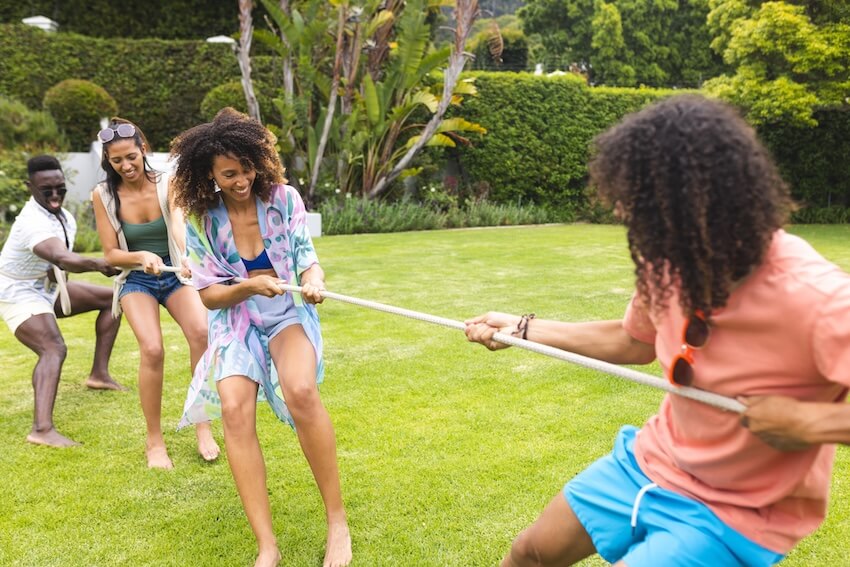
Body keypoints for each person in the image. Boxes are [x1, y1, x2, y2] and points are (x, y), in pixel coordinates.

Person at [465, 95, 850, 567]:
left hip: (737, 512)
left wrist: (813, 423)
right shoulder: (667, 262)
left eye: (645, 209)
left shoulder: (817, 298)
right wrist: (523, 329)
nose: (630, 219)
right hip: (651, 461)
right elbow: (632, 341)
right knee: (531, 553)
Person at [169, 107, 351, 567]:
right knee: (232, 408)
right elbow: (209, 296)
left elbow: (308, 258)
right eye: (228, 174)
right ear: (208, 174)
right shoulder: (201, 219)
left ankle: (337, 521)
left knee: (302, 391)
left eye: (247, 167)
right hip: (236, 317)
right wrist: (249, 285)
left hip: (287, 311)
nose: (241, 179)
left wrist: (314, 279)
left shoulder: (284, 199)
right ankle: (267, 546)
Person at [91, 118, 220, 469]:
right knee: (152, 349)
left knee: (201, 333)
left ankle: (202, 425)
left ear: (143, 149)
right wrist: (140, 256)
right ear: (108, 161)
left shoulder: (168, 182)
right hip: (138, 279)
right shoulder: (103, 195)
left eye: (131, 157)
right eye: (116, 161)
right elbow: (110, 254)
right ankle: (154, 441)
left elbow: (178, 224)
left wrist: (186, 258)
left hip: (175, 272)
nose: (126, 166)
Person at [0, 155, 125, 447]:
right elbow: (61, 257)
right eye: (47, 190)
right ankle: (42, 429)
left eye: (60, 188)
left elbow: (55, 267)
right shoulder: (32, 221)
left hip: (44, 288)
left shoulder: (64, 217)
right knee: (52, 348)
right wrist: (98, 265)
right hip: (16, 292)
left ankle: (99, 374)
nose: (55, 195)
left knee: (114, 299)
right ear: (31, 186)